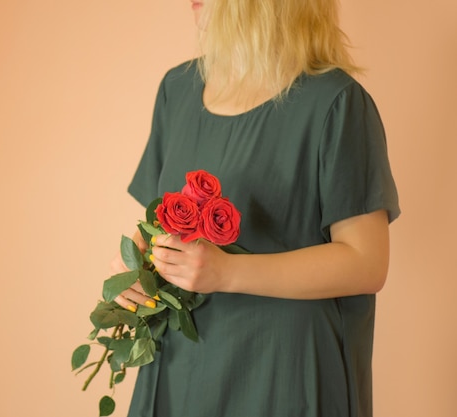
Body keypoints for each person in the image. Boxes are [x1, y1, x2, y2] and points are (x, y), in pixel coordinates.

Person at [111, 0, 400, 416]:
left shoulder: (337, 103)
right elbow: (156, 223)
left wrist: (227, 272)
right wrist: (137, 267)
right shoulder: (178, 88)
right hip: (181, 370)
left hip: (286, 375)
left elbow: (367, 262)